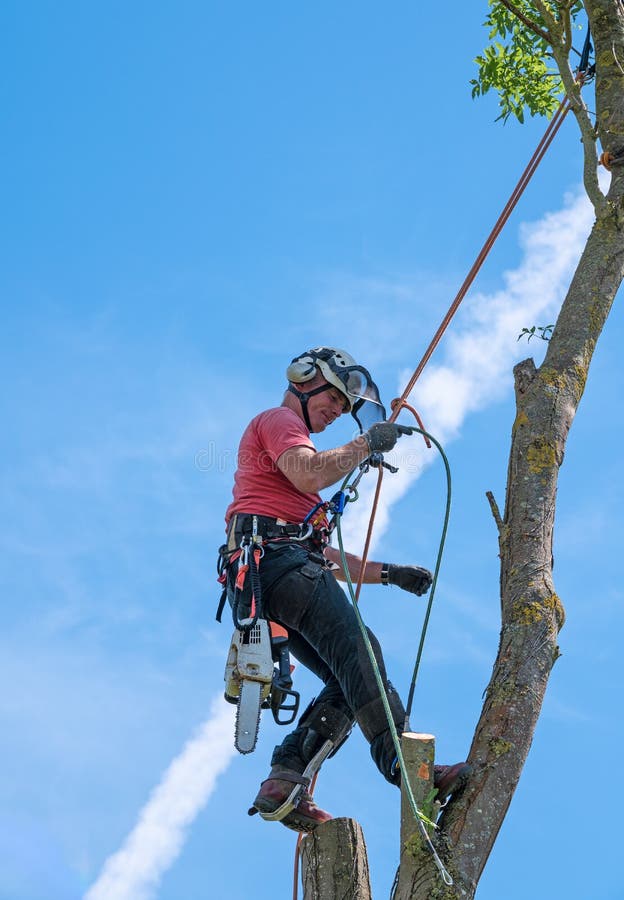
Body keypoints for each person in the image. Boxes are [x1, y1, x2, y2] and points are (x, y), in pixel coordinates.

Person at [221, 347, 469, 832]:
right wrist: (365, 444)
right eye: (332, 397)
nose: (337, 410)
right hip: (274, 563)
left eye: (343, 404)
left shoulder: (292, 491)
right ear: (303, 380)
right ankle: (411, 769)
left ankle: (285, 776)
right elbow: (309, 471)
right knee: (362, 653)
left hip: (270, 569)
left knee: (347, 679)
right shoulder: (278, 422)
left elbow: (320, 558)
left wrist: (388, 572)